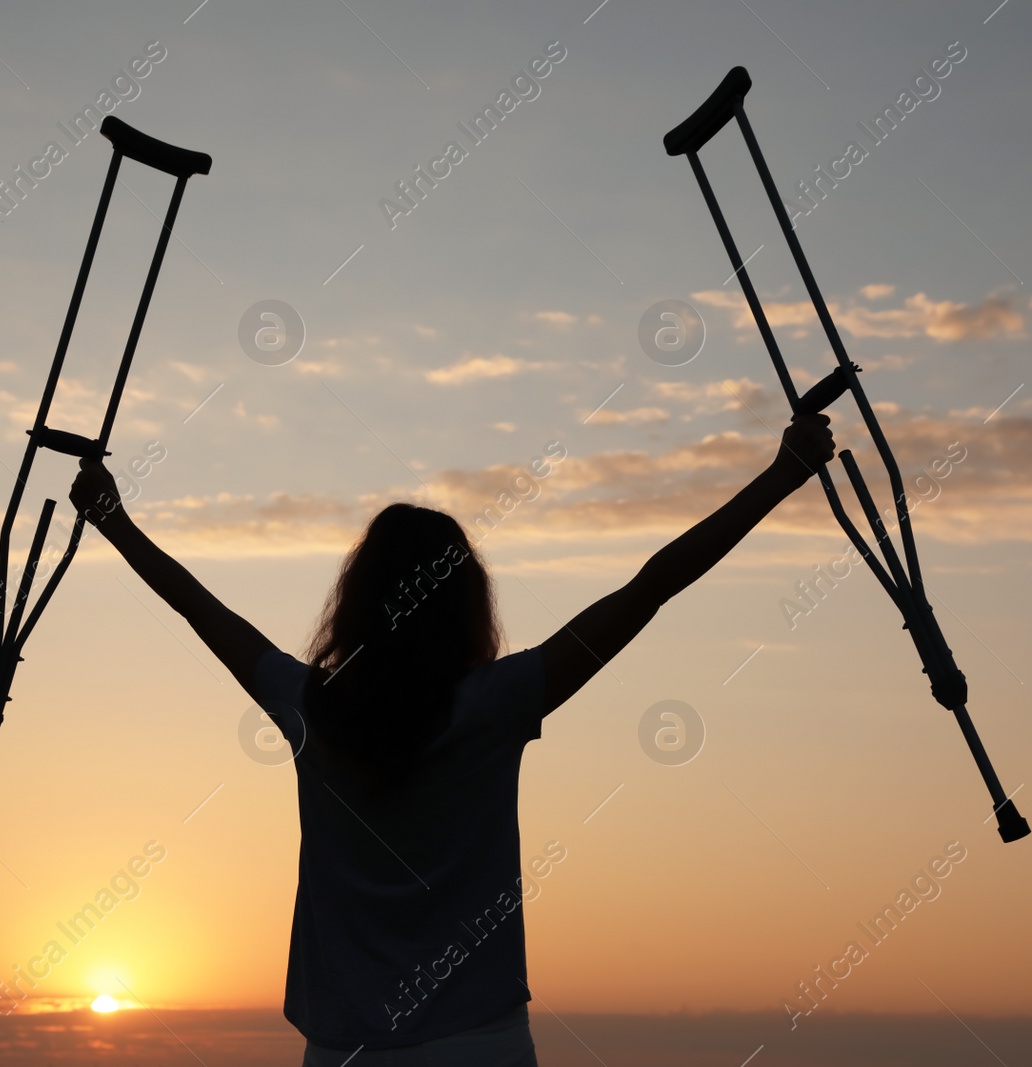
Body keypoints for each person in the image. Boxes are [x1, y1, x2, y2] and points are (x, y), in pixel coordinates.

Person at [69, 411, 835, 1065]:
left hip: (344, 1046)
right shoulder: (497, 701)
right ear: (465, 600)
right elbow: (651, 586)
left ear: (358, 601)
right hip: (480, 1043)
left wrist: (115, 522)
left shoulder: (309, 703)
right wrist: (781, 476)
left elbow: (202, 611)